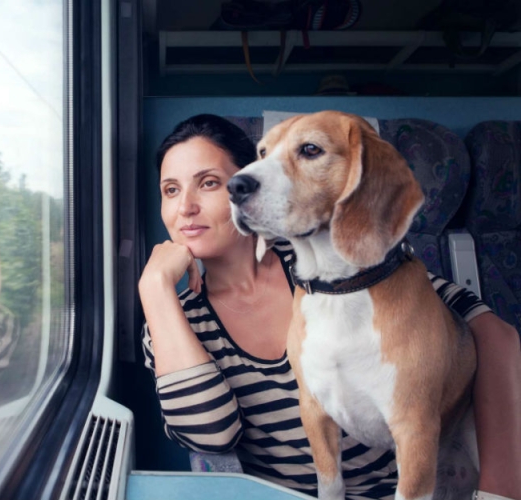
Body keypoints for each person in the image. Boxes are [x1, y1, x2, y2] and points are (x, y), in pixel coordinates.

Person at [138, 114, 521, 500]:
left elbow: (491, 333)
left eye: (209, 183)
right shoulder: (172, 319)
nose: (185, 207)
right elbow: (211, 434)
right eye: (170, 190)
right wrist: (154, 288)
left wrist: (499, 491)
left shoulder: (328, 258)